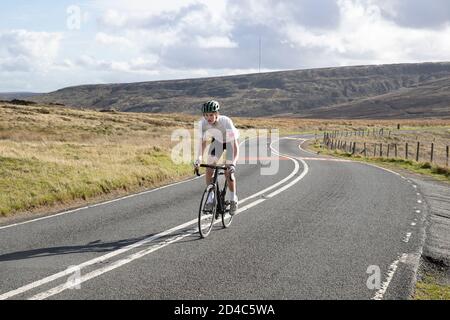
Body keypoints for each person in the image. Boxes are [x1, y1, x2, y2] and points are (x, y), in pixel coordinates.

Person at [194, 100, 240, 216]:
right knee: (209, 169)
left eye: (211, 115)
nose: (208, 118)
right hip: (218, 142)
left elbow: (234, 147)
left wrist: (233, 163)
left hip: (229, 142)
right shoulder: (202, 124)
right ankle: (211, 199)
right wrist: (198, 159)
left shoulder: (226, 122)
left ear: (216, 114)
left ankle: (233, 199)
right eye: (206, 115)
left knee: (228, 172)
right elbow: (202, 144)